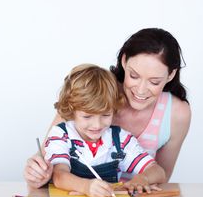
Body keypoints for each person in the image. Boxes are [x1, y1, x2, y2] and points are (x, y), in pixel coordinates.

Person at [24, 28, 191, 188]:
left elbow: (161, 176)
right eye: (134, 76)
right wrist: (37, 172)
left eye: (154, 82)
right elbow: (49, 160)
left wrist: (142, 180)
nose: (140, 90)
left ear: (171, 74)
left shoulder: (173, 116)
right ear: (124, 61)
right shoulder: (96, 90)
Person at [44, 64, 165, 197]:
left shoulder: (120, 140)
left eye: (105, 115)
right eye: (87, 116)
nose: (97, 125)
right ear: (72, 111)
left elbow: (158, 171)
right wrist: (85, 187)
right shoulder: (61, 135)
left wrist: (143, 179)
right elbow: (59, 176)